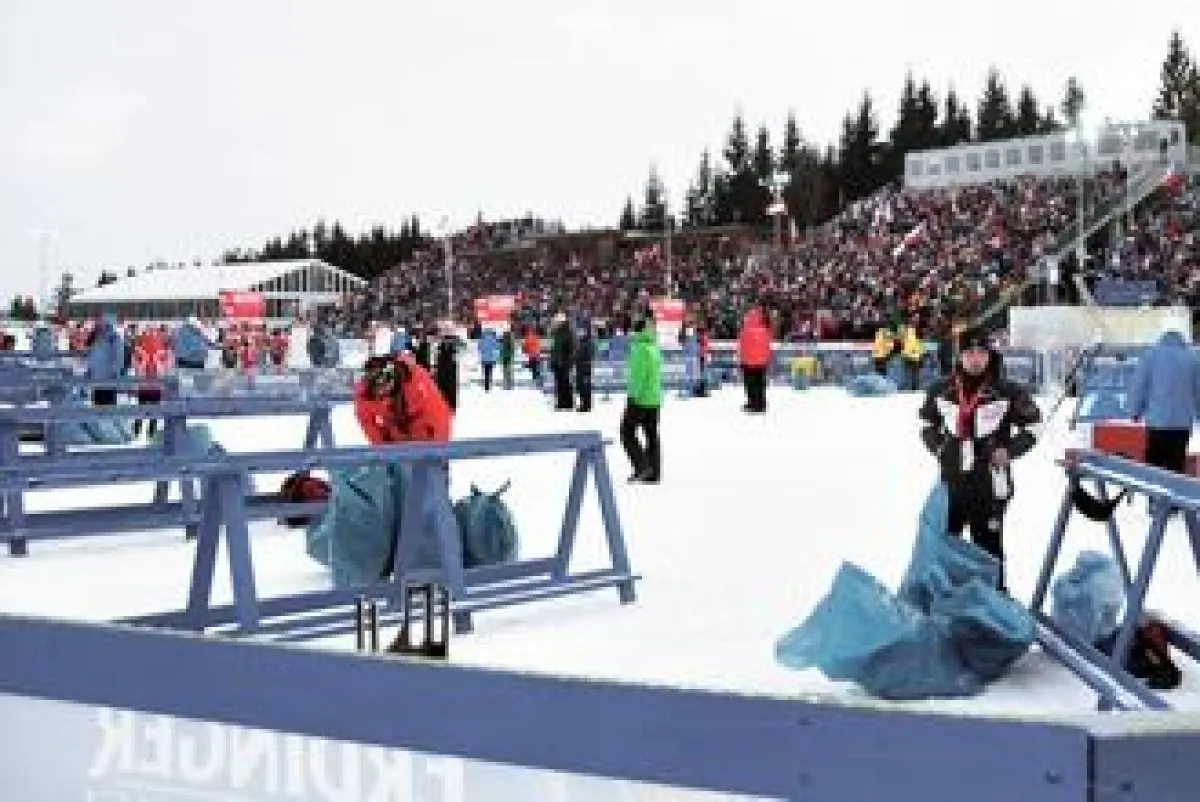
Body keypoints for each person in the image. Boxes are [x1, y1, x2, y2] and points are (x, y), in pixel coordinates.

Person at [918, 326, 1041, 592]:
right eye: (969, 352)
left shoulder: (1008, 391)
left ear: (989, 354)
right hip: (951, 484)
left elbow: (1034, 427)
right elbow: (926, 424)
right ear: (960, 356)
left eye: (981, 352)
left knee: (989, 550)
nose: (976, 358)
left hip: (990, 486)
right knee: (944, 549)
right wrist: (938, 447)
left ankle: (995, 608)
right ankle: (949, 605)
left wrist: (1010, 450)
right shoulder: (941, 389)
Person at [1127, 327, 1200, 477]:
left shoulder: (1150, 356)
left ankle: (1154, 499)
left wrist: (1135, 412)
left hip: (1156, 422)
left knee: (1154, 468)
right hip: (1182, 424)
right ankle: (1173, 498)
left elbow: (1139, 386)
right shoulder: (1192, 358)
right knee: (1176, 468)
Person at [620, 317, 663, 484]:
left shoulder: (639, 348)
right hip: (654, 398)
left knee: (627, 432)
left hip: (641, 398)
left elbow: (639, 374)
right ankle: (654, 472)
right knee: (651, 434)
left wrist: (634, 395)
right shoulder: (653, 346)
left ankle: (642, 466)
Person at [738, 307, 771, 413]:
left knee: (750, 384)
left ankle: (753, 403)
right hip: (761, 362)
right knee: (761, 383)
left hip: (748, 362)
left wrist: (741, 359)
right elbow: (767, 346)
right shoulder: (765, 329)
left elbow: (742, 346)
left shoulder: (745, 330)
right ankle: (761, 403)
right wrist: (766, 359)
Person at [550, 314, 575, 410]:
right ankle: (561, 402)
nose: (555, 323)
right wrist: (553, 361)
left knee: (566, 383)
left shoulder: (568, 333)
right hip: (557, 363)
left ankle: (568, 403)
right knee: (559, 384)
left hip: (564, 363)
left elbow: (571, 349)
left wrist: (568, 362)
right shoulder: (557, 334)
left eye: (556, 322)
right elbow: (555, 349)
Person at [574, 325, 594, 412]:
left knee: (585, 387)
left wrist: (578, 358)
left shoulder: (587, 343)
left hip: (584, 367)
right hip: (581, 367)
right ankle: (584, 403)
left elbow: (586, 355)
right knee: (582, 386)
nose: (580, 334)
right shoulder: (581, 343)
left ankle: (586, 405)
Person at [478, 327, 499, 392]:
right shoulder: (493, 340)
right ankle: (489, 383)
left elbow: (479, 348)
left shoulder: (482, 340)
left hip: (484, 359)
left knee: (485, 373)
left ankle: (486, 385)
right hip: (491, 358)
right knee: (490, 372)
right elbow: (496, 347)